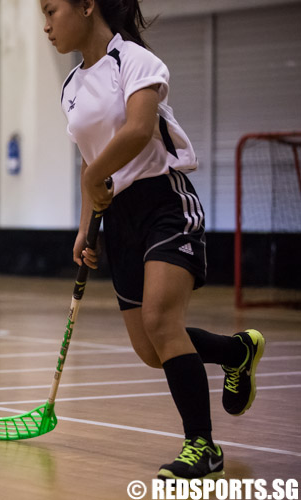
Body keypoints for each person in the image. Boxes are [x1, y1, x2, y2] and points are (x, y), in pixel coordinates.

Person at [41, 0, 265, 480]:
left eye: (51, 10)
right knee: (150, 349)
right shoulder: (70, 88)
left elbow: (139, 131)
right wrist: (85, 227)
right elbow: (90, 162)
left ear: (86, 7)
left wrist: (94, 178)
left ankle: (202, 447)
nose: (46, 25)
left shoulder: (136, 61)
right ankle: (235, 352)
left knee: (162, 321)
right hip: (116, 218)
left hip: (164, 203)